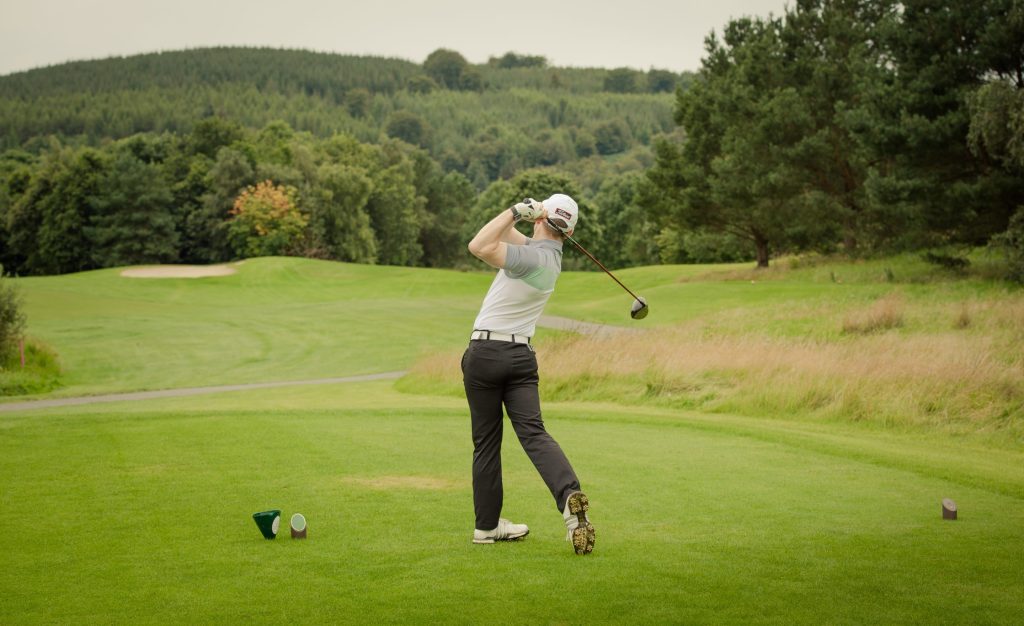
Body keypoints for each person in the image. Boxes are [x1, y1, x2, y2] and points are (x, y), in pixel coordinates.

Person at [463, 193, 595, 555]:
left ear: (542, 219)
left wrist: (515, 211)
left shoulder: (532, 256)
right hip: (521, 356)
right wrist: (532, 220)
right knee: (534, 433)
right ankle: (569, 498)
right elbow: (511, 239)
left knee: (487, 443)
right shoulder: (549, 258)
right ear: (568, 233)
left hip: (486, 354)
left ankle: (487, 528)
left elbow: (478, 245)